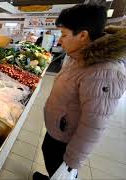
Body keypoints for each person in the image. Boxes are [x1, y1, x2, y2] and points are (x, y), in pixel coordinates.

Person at [33, 4, 126, 180]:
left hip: (67, 140)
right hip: (57, 131)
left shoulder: (105, 71)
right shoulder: (78, 54)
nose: (59, 40)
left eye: (64, 35)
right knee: (49, 157)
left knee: (59, 168)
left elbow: (93, 125)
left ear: (83, 35)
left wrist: (71, 162)